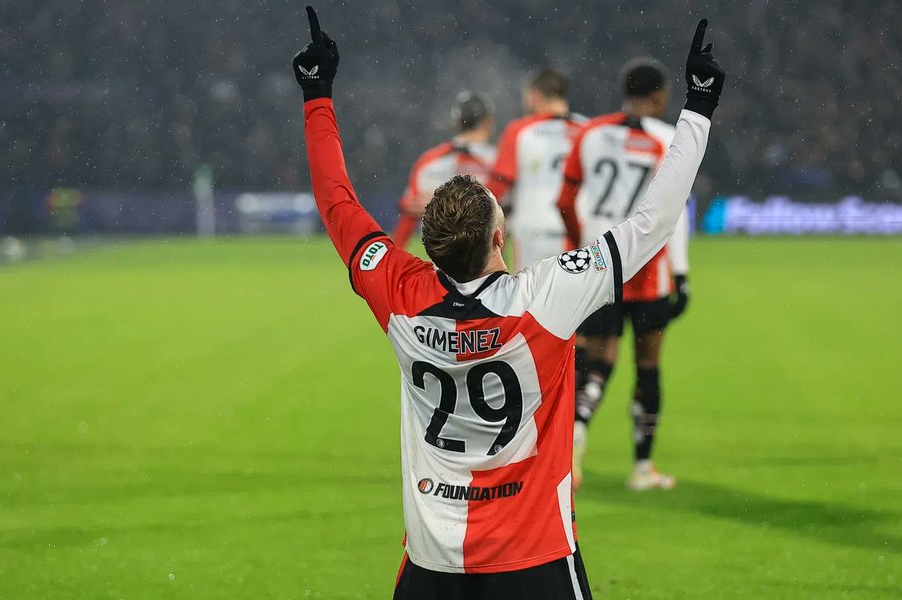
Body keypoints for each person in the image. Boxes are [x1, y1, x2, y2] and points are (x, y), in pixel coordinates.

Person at [292, 7, 721, 597]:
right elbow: (652, 224)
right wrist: (697, 108)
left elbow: (337, 203)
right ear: (500, 236)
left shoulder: (399, 293)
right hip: (535, 561)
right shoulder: (546, 297)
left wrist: (317, 95)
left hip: (432, 569)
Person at [557, 59, 694, 492]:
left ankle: (571, 445)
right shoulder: (668, 139)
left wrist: (584, 246)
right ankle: (642, 468)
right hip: (648, 270)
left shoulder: (590, 133)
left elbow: (565, 199)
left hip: (599, 266)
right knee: (647, 365)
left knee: (594, 361)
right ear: (658, 97)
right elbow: (675, 217)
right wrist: (683, 275)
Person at [485, 68, 585, 270]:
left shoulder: (519, 130)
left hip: (534, 233)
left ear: (535, 96)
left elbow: (498, 187)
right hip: (577, 233)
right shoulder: (589, 129)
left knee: (532, 300)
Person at [391, 92, 496, 247]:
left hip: (441, 264)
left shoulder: (428, 161)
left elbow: (409, 211)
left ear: (457, 122)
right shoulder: (498, 162)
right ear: (488, 122)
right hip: (486, 264)